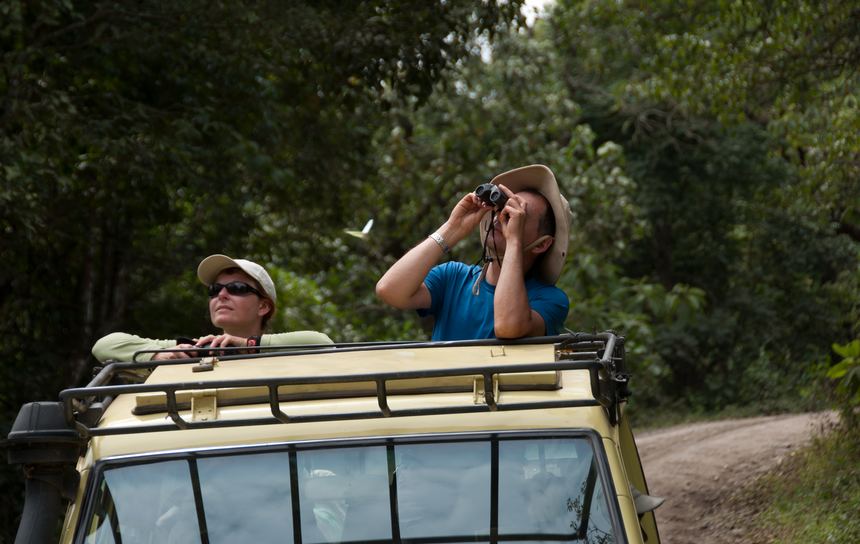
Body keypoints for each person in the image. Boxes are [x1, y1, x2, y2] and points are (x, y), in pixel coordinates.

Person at [376, 164, 572, 341]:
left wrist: (513, 240)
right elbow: (390, 290)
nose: (502, 217)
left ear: (541, 244)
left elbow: (508, 327)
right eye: (503, 207)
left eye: (518, 214)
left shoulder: (549, 299)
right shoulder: (453, 278)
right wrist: (452, 229)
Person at [92, 254, 332, 362]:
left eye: (237, 288)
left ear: (263, 306)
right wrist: (161, 353)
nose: (222, 295)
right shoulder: (197, 350)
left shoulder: (283, 351)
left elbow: (322, 343)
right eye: (214, 290)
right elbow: (105, 346)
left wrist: (246, 345)